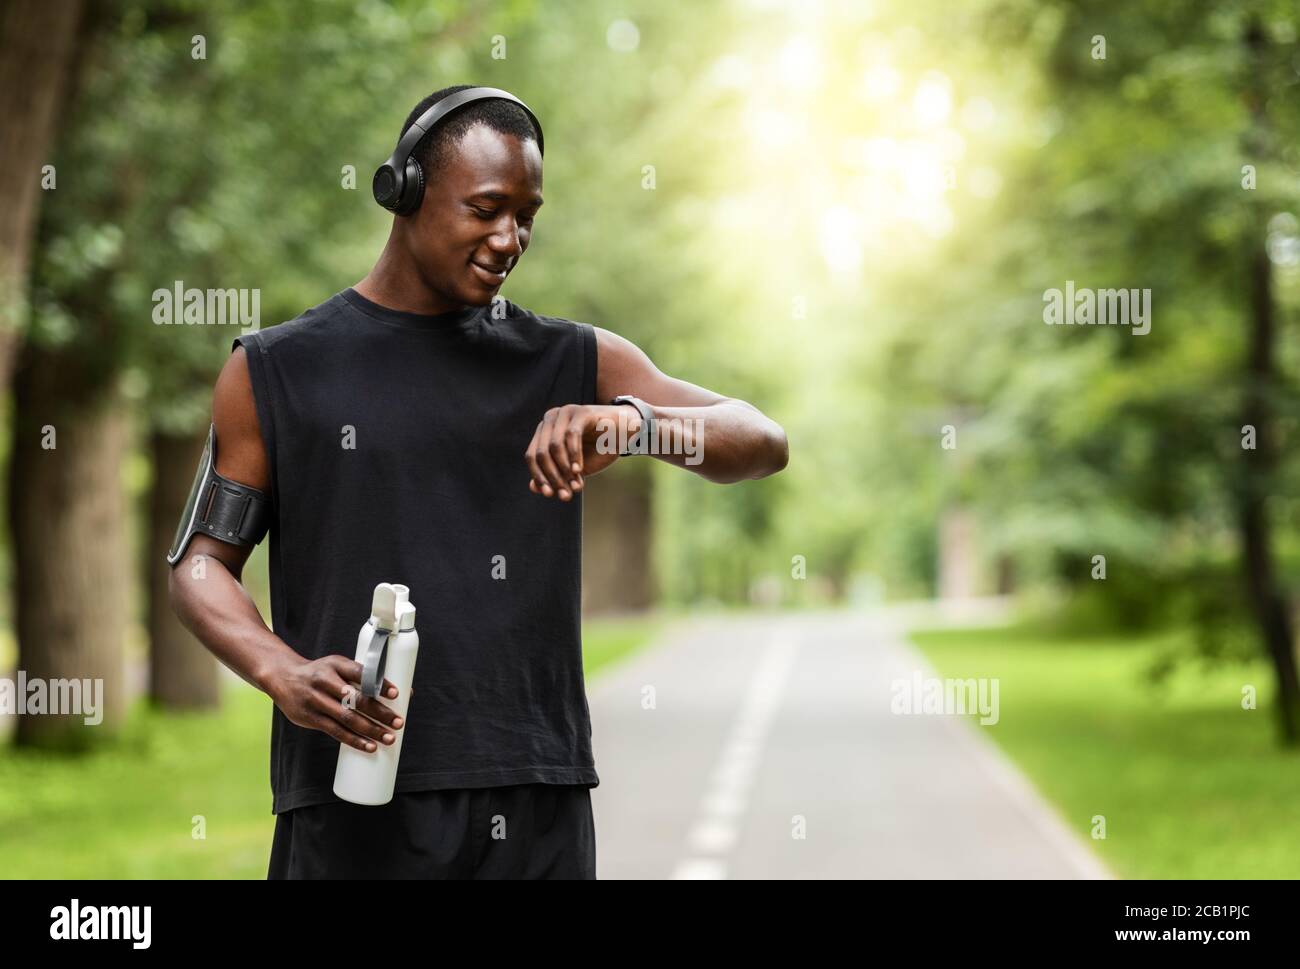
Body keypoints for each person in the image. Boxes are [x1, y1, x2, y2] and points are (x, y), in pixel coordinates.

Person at [167, 84, 789, 879]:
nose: (510, 238)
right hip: (349, 798)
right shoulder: (274, 371)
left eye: (526, 215)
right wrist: (278, 670)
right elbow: (199, 564)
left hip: (536, 799)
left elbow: (761, 439)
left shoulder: (575, 361)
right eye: (487, 208)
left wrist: (636, 423)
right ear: (406, 191)